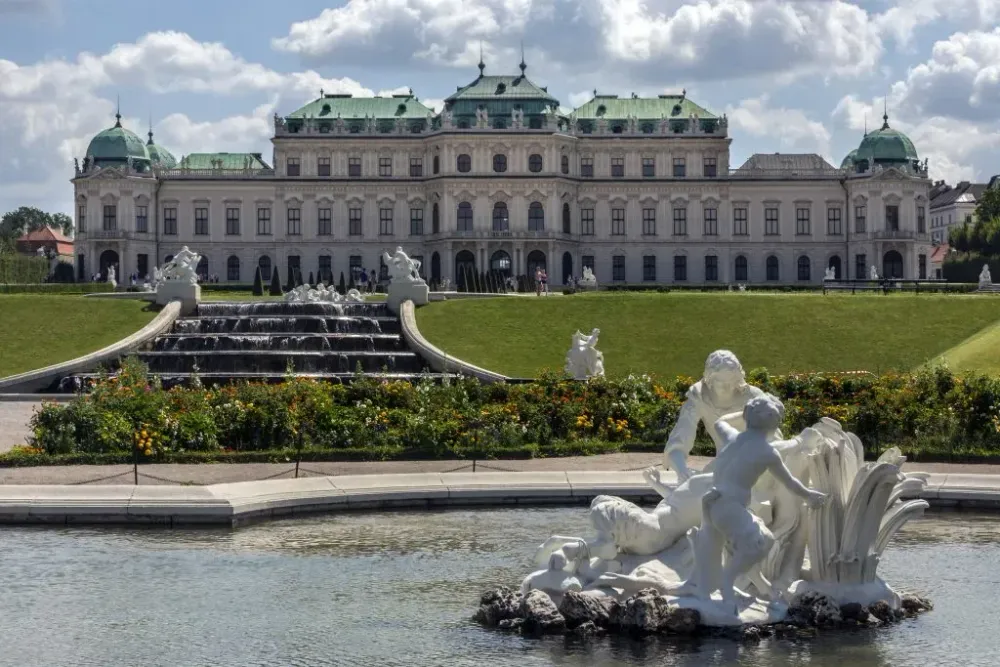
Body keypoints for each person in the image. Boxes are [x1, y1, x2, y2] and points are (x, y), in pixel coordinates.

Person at [602, 395, 827, 613]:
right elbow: (790, 481)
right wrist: (810, 495)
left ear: (748, 417)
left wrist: (745, 411)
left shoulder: (733, 438)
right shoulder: (767, 451)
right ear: (774, 422)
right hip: (729, 506)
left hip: (712, 504)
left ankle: (760, 589)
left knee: (732, 547)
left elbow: (720, 422)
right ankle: (728, 588)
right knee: (761, 543)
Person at [664, 350, 766, 482]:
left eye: (732, 381)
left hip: (759, 467)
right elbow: (679, 442)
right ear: (709, 380)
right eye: (720, 382)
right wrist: (682, 470)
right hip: (722, 468)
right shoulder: (699, 397)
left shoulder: (753, 397)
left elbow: (772, 437)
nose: (727, 387)